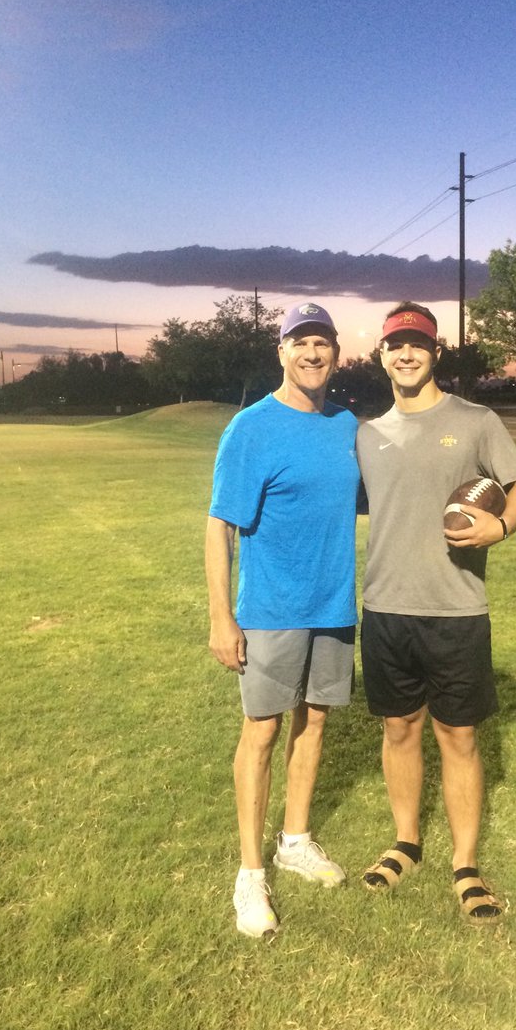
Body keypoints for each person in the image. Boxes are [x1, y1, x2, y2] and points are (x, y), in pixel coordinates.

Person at [356, 302, 516, 924]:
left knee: (458, 736)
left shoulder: (476, 420)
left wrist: (503, 526)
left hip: (456, 609)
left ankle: (465, 865)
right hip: (384, 608)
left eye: (418, 345)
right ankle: (406, 841)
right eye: (395, 345)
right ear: (381, 355)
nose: (406, 354)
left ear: (435, 354)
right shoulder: (366, 433)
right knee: (399, 729)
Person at [205, 303, 360, 939]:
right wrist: (222, 615)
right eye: (300, 343)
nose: (312, 354)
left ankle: (293, 840)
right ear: (281, 353)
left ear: (336, 353)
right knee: (262, 732)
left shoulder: (347, 425)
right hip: (270, 609)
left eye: (322, 343)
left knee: (315, 719)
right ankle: (249, 874)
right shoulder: (251, 428)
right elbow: (220, 525)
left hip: (334, 604)